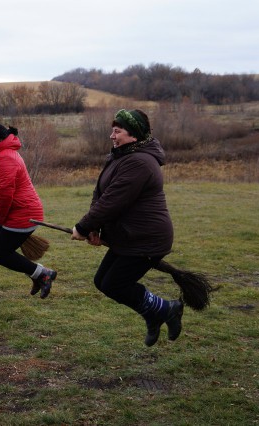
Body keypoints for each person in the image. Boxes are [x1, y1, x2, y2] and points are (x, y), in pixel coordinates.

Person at [71, 109, 182, 346]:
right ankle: (155, 314)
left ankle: (166, 309)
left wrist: (82, 226)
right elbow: (101, 194)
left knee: (114, 284)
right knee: (102, 282)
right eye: (112, 130)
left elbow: (113, 201)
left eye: (117, 131)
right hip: (129, 236)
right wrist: (95, 229)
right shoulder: (121, 157)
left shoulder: (140, 162)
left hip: (147, 239)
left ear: (134, 135)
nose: (112, 136)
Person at [0, 124, 57, 298]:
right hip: (11, 213)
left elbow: (4, 193)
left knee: (1, 253)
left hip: (24, 213)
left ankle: (43, 274)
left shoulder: (5, 158)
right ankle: (39, 275)